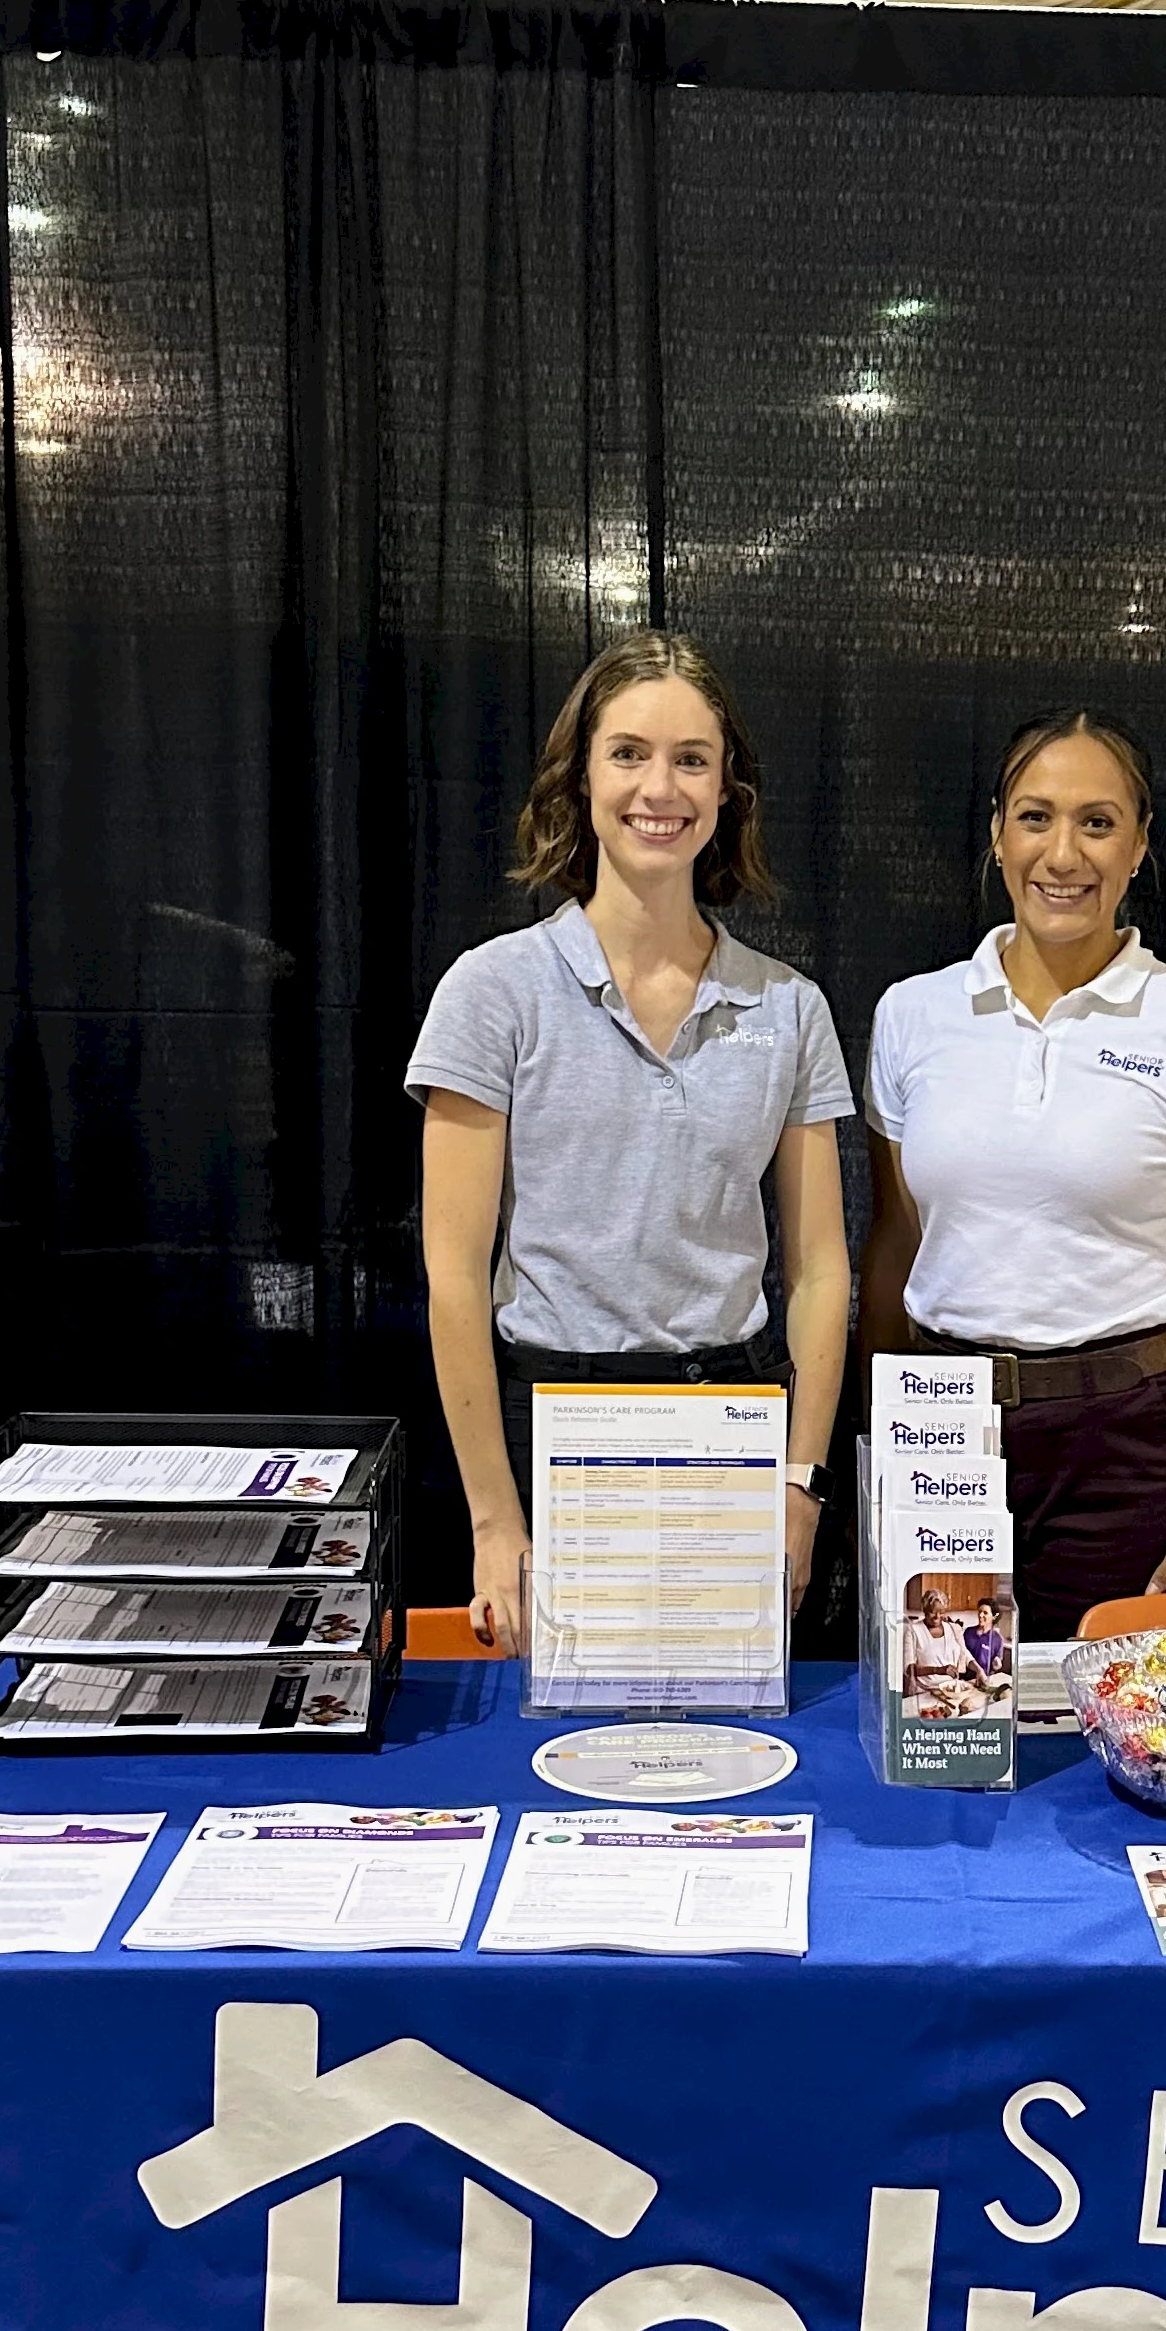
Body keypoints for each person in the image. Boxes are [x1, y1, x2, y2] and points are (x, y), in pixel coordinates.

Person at [408, 630, 852, 1652]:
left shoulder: (790, 1009)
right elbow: (452, 1275)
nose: (662, 786)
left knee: (724, 1760)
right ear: (581, 776)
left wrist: (800, 1484)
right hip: (548, 1426)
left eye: (692, 758)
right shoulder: (493, 992)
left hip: (732, 1423)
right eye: (630, 753)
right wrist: (492, 1515)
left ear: (729, 787)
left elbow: (821, 1269)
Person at [860, 708, 1166, 1640]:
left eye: (1097, 822)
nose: (1064, 853)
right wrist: (873, 1439)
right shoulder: (913, 1015)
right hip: (939, 1427)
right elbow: (892, 1247)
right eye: (1036, 817)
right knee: (945, 1724)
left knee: (1109, 1737)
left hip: (1123, 1441)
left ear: (1139, 847)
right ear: (998, 835)